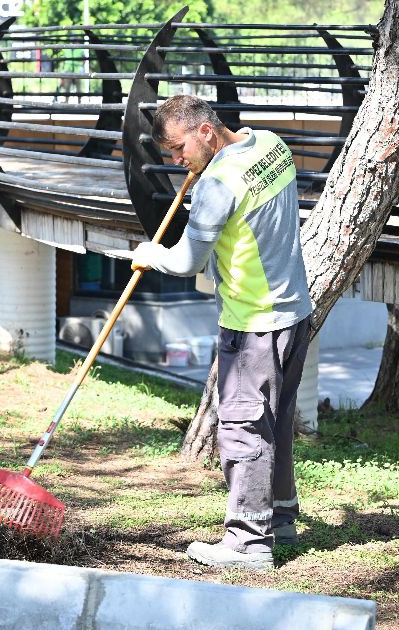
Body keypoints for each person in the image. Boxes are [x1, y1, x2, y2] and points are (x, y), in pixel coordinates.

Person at [131, 95, 313, 571]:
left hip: (253, 323)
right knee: (275, 419)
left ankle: (248, 544)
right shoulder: (272, 146)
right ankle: (282, 519)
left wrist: (151, 253)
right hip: (294, 313)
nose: (176, 161)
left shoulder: (216, 183)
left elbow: (188, 261)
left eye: (177, 149)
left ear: (206, 132)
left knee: (243, 427)